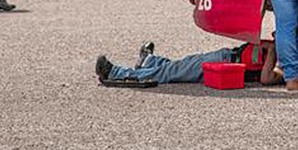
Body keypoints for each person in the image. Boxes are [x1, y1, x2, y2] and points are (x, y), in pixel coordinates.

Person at [96, 40, 276, 85]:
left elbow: (266, 78)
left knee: (172, 72)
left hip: (227, 68)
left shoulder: (291, 64)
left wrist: (274, 48)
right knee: (182, 65)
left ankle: (118, 73)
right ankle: (151, 61)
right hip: (228, 56)